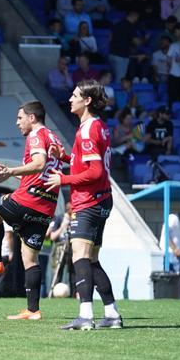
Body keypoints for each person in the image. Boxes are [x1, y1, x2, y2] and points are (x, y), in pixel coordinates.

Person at [43, 81, 124, 330]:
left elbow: (95, 171)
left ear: (87, 100)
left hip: (88, 201)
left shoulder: (87, 130)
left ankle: (85, 317)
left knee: (80, 256)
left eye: (75, 95)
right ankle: (111, 314)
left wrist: (63, 178)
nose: (70, 99)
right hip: (101, 200)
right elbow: (87, 162)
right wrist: (65, 157)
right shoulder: (98, 127)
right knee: (91, 260)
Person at [0, 101, 65, 320]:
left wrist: (10, 172)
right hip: (47, 206)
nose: (17, 122)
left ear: (32, 118)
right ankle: (33, 310)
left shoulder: (36, 136)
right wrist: (17, 174)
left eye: (20, 118)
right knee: (30, 258)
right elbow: (42, 172)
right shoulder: (54, 138)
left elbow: (39, 163)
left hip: (28, 200)